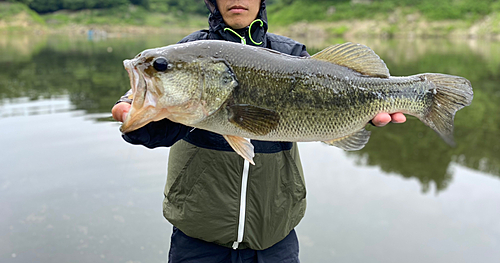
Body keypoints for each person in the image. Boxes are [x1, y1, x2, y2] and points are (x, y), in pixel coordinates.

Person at [111, 0, 406, 262]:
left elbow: (327, 99)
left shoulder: (291, 53)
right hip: (198, 238)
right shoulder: (189, 50)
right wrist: (140, 120)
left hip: (275, 238)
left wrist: (361, 112)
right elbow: (157, 133)